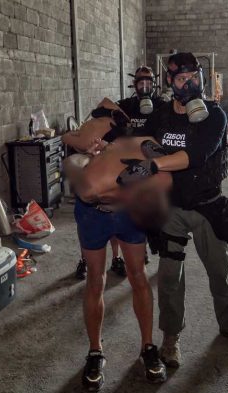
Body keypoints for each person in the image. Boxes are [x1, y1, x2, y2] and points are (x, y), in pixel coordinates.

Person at [117, 52, 228, 367]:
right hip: (173, 209)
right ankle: (171, 337)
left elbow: (195, 155)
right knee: (169, 277)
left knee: (220, 272)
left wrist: (154, 165)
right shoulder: (162, 114)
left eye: (194, 78)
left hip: (207, 205)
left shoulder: (215, 116)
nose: (189, 85)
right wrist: (137, 144)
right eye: (182, 79)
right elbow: (142, 139)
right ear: (170, 82)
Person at [62, 121, 168, 392]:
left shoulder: (144, 147)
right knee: (95, 280)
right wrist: (88, 158)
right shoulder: (89, 157)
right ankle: (95, 351)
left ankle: (148, 347)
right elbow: (85, 188)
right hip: (93, 216)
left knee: (138, 276)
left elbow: (164, 176)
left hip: (128, 214)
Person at [70, 66, 166, 280]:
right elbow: (99, 111)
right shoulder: (126, 105)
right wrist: (114, 115)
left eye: (148, 82)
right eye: (140, 83)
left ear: (154, 83)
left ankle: (140, 250)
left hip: (148, 166)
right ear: (134, 84)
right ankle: (97, 257)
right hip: (122, 164)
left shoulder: (162, 107)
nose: (144, 87)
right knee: (109, 208)